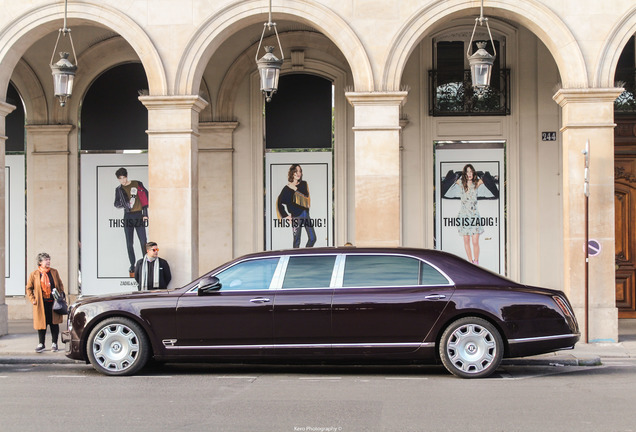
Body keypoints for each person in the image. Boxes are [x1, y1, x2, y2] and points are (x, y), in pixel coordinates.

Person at [25, 252, 65, 353]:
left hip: (53, 303)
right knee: (41, 324)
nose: (48, 262)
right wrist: (32, 299)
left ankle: (54, 344)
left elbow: (60, 285)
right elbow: (29, 288)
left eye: (49, 259)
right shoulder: (34, 274)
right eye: (46, 260)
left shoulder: (54, 272)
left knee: (54, 323)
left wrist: (61, 296)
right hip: (41, 304)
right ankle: (41, 344)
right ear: (40, 262)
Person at [114, 167, 149, 276]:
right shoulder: (119, 189)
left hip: (139, 214)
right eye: (120, 179)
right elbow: (116, 203)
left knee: (143, 240)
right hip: (128, 215)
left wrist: (145, 214)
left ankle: (145, 261)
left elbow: (145, 198)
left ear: (127, 176)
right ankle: (132, 264)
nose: (123, 181)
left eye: (124, 178)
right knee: (129, 242)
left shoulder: (137, 184)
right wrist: (125, 204)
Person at [276, 164, 317, 248]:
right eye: (296, 171)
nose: (298, 173)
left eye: (300, 171)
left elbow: (305, 196)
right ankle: (295, 259)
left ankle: (305, 255)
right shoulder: (286, 188)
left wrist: (294, 188)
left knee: (312, 238)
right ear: (292, 173)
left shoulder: (303, 184)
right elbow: (279, 203)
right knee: (296, 242)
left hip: (305, 214)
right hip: (296, 216)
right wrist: (286, 216)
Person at [456, 164, 484, 264]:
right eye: (467, 172)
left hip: (474, 215)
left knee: (475, 241)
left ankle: (476, 262)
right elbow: (450, 176)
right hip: (464, 215)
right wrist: (460, 174)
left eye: (471, 171)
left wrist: (479, 174)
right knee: (466, 240)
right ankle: (470, 262)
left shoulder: (477, 183)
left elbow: (486, 178)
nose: (469, 174)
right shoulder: (460, 183)